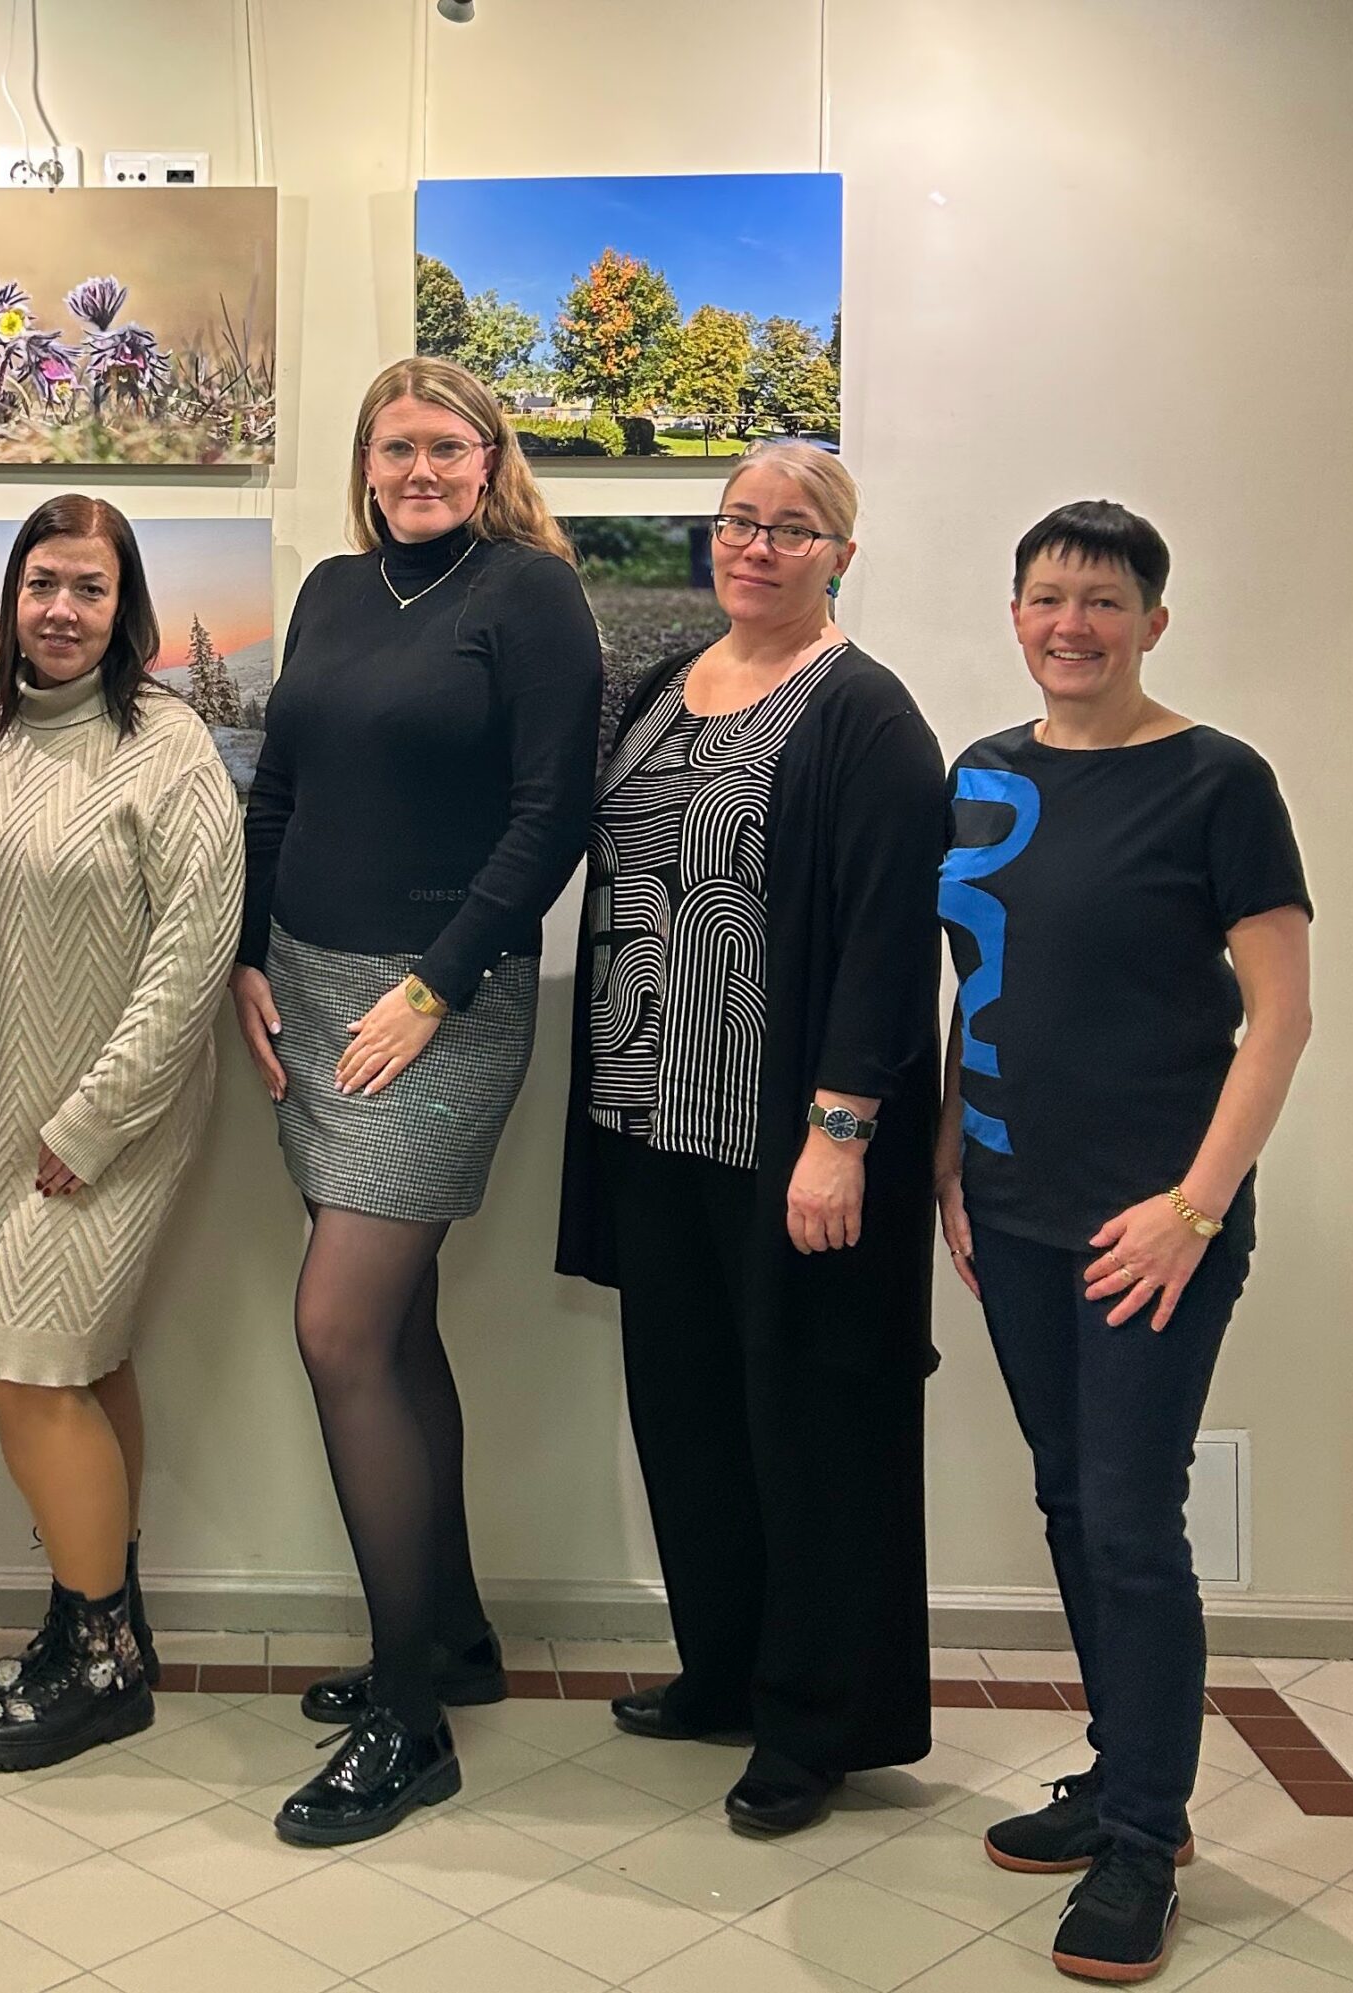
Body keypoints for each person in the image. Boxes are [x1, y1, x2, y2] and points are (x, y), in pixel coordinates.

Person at [231, 357, 602, 1845]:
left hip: (441, 1001)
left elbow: (553, 814)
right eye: (397, 447)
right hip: (309, 988)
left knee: (337, 1328)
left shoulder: (531, 594)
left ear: (490, 459)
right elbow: (276, 792)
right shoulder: (333, 589)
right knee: (393, 1329)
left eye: (448, 446)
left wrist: (434, 986)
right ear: (367, 462)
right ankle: (447, 1635)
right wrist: (246, 957)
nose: (422, 470)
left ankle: (408, 1720)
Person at [940, 502, 1310, 1984]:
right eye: (1046, 597)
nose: (1070, 625)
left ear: (1154, 621)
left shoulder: (1219, 781)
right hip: (1010, 1207)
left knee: (1132, 1522)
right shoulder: (982, 774)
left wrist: (1194, 1208)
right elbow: (981, 982)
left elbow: (1279, 1019)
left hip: (1155, 1222)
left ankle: (1147, 1840)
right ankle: (1118, 1773)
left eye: (1102, 601)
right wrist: (951, 1158)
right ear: (1015, 615)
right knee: (1065, 1495)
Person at [555, 442, 946, 1838]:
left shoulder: (865, 714)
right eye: (739, 522)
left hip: (787, 1142)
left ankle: (816, 1721)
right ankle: (721, 1669)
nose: (758, 546)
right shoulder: (665, 686)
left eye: (792, 528)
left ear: (841, 554)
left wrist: (841, 1132)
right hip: (648, 1121)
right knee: (691, 1418)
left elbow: (891, 946)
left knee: (811, 1429)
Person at [0, 496, 242, 1773]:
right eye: (42, 583)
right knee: (84, 1367)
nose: (61, 609)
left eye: (88, 589)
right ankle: (97, 1622)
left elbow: (194, 952)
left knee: (32, 1371)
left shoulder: (169, 746)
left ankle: (102, 1668)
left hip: (114, 1114)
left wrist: (96, 1117)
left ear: (124, 607)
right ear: (12, 596)